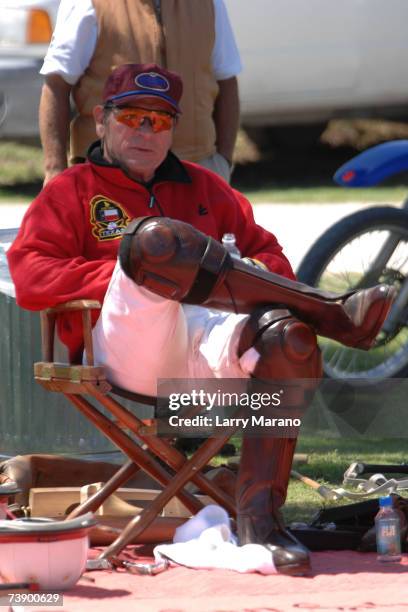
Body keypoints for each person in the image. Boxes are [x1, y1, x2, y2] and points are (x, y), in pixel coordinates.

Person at [8, 63, 394, 575]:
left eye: (159, 120)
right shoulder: (72, 190)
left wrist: (217, 278)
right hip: (128, 348)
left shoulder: (207, 188)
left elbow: (273, 261)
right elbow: (31, 275)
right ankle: (335, 314)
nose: (145, 130)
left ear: (173, 129)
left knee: (291, 342)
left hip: (211, 349)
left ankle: (261, 523)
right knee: (155, 244)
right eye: (131, 116)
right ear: (101, 119)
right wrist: (138, 273)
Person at [39, 0, 241, 185]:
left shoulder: (209, 4)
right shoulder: (88, 3)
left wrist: (223, 161)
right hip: (107, 174)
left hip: (196, 170)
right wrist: (54, 169)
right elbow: (57, 85)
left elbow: (226, 79)